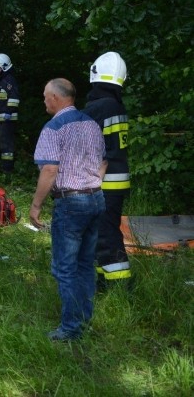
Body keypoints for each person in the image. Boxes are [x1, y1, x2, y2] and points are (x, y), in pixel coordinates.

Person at [30, 78, 106, 342]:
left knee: (64, 268)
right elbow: (104, 161)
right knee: (85, 264)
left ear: (55, 97)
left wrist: (36, 206)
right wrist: (92, 184)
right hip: (96, 199)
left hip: (71, 203)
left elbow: (50, 170)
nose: (43, 100)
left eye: (45, 95)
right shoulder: (91, 124)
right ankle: (84, 318)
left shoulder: (54, 128)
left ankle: (71, 328)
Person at [83, 52, 132, 289]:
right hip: (117, 179)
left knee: (105, 234)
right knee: (105, 230)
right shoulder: (115, 105)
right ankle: (104, 278)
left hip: (105, 180)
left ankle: (118, 285)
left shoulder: (98, 107)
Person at [0, 53, 20, 173]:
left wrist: (8, 112)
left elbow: (14, 99)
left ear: (5, 67)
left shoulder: (9, 81)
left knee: (7, 147)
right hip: (1, 119)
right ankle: (6, 168)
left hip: (8, 119)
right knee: (3, 145)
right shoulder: (2, 81)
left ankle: (8, 170)